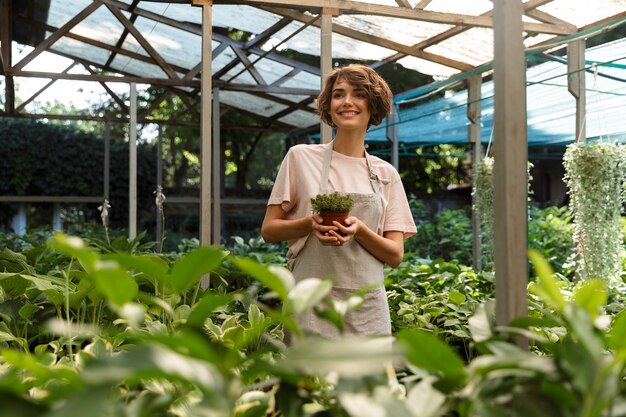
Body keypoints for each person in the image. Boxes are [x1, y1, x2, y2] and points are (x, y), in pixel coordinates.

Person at [261, 64, 416, 338]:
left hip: (367, 310)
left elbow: (395, 254)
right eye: (338, 94)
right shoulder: (300, 158)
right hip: (310, 304)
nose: (347, 102)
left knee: (369, 380)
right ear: (329, 106)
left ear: (374, 105)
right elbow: (269, 230)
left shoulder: (385, 174)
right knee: (309, 379)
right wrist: (310, 223)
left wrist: (359, 230)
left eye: (358, 94)